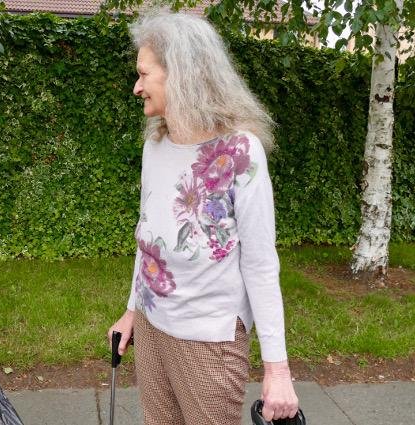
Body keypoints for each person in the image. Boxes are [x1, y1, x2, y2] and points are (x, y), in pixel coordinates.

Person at [107, 10, 300, 424]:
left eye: (144, 74)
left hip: (209, 341)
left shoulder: (240, 153)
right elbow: (149, 238)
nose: (136, 86)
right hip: (153, 330)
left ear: (180, 73)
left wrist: (277, 370)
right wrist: (131, 310)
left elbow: (261, 264)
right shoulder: (155, 146)